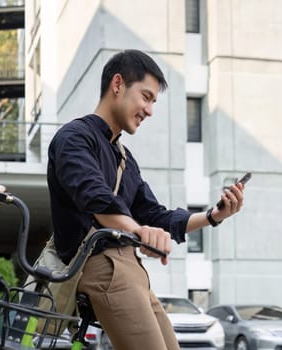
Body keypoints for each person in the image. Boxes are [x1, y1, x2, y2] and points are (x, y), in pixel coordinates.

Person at [47, 49, 245, 350]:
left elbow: (156, 215)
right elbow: (95, 197)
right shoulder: (74, 138)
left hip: (132, 270)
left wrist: (212, 216)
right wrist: (138, 231)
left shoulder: (126, 159)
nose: (149, 110)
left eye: (153, 101)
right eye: (146, 96)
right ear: (118, 84)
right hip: (100, 266)